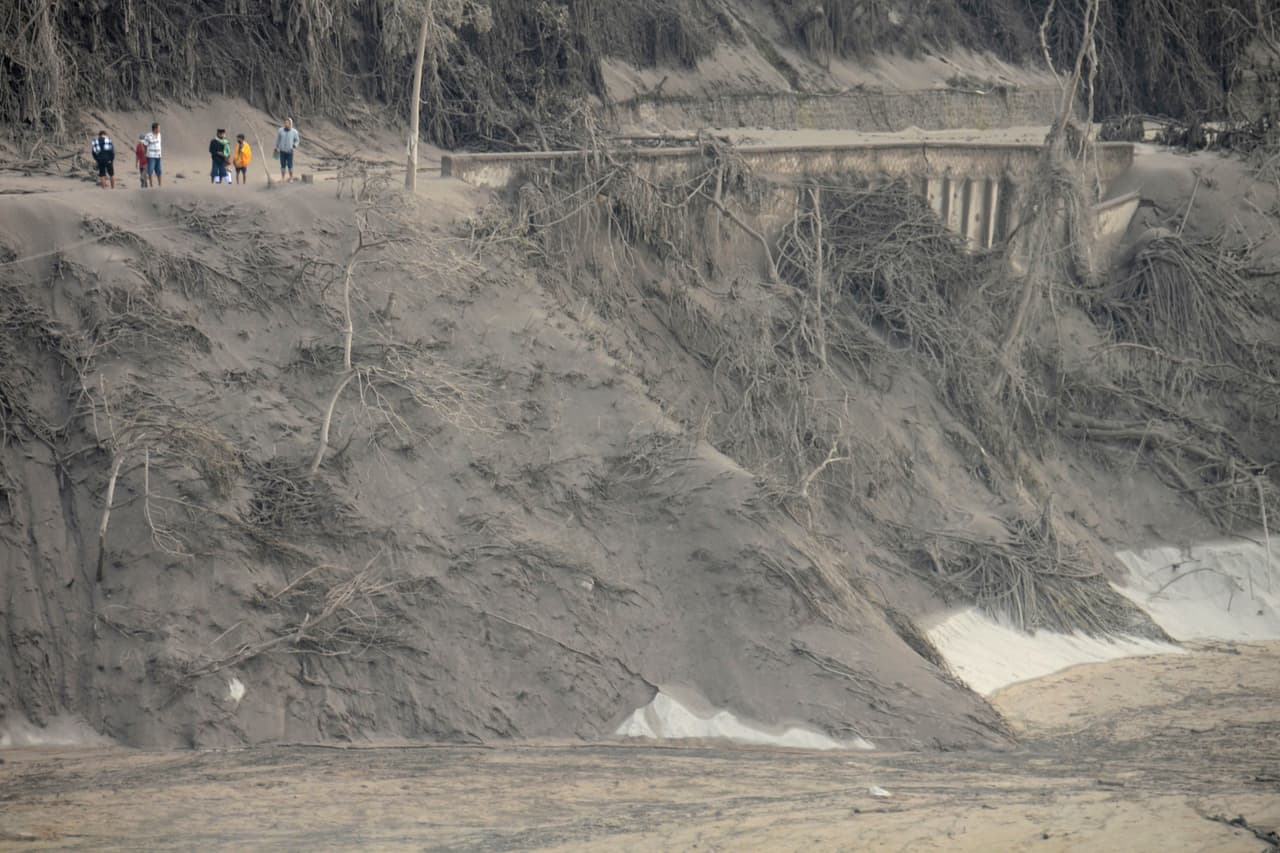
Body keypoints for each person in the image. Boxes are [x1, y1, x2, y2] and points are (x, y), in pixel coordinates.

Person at [273, 117, 299, 183]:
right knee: (282, 165)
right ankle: (283, 178)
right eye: (285, 123)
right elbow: (278, 140)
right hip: (282, 151)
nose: (286, 124)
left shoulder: (294, 132)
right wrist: (276, 147)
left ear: (290, 124)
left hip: (290, 151)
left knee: (290, 165)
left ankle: (291, 178)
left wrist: (295, 145)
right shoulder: (280, 130)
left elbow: (297, 140)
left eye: (287, 123)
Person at [143, 122, 163, 187]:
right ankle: (151, 185)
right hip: (151, 156)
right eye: (158, 128)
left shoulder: (159, 135)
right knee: (150, 171)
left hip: (158, 155)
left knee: (159, 171)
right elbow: (145, 145)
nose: (159, 129)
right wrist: (145, 153)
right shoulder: (148, 135)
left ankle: (160, 185)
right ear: (155, 129)